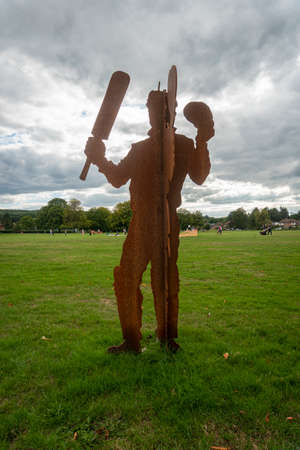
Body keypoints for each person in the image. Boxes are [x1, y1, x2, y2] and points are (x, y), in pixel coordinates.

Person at [85, 91, 214, 353]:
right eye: (151, 107)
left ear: (172, 110)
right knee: (126, 279)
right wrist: (100, 159)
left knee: (164, 280)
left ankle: (166, 338)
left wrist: (202, 139)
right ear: (148, 111)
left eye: (162, 107)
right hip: (140, 222)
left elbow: (200, 176)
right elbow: (119, 177)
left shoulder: (183, 144)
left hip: (166, 222)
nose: (156, 113)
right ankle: (131, 339)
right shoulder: (140, 149)